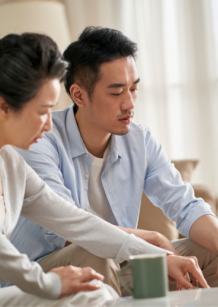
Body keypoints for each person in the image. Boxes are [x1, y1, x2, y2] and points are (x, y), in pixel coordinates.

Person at [0, 29, 212, 299]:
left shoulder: (12, 165)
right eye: (43, 111)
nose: (49, 123)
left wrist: (155, 252)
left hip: (99, 262)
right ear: (4, 107)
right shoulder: (35, 147)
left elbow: (76, 222)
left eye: (133, 89)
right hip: (30, 278)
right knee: (93, 270)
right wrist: (48, 283)